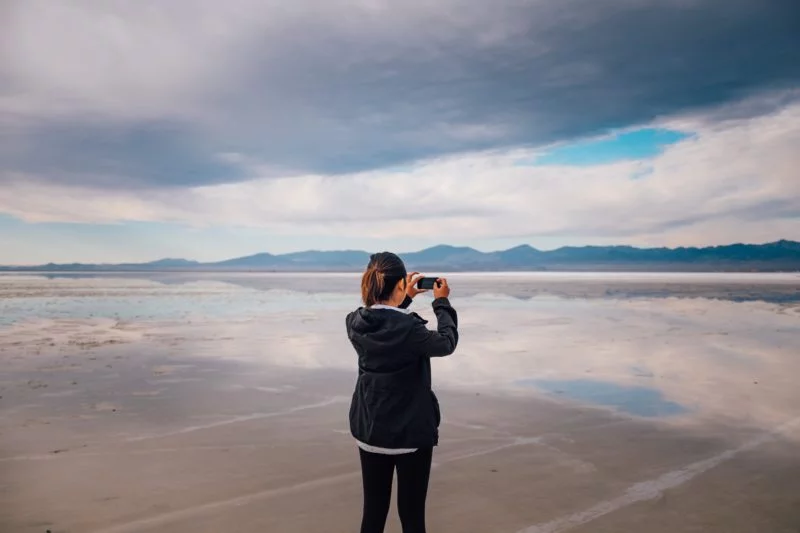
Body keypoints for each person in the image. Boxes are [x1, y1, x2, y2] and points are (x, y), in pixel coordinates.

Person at [346, 251, 458, 533]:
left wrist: (404, 299)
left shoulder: (355, 323)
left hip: (370, 430)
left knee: (373, 513)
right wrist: (441, 302)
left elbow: (385, 320)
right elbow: (446, 342)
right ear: (399, 284)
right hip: (410, 434)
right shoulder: (411, 331)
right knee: (411, 516)